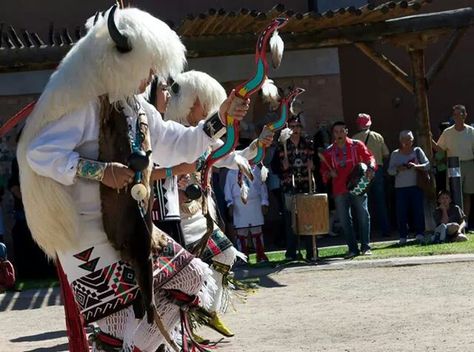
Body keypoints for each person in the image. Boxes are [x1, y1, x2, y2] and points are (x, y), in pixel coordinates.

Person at [17, 6, 250, 351]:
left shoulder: (137, 108)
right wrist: (100, 171)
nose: (153, 73)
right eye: (148, 63)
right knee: (121, 324)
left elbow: (178, 142)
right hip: (85, 235)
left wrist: (221, 116)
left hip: (134, 228)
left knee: (193, 278)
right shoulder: (87, 105)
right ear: (121, 61)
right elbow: (39, 152)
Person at [160, 69, 272, 339]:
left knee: (225, 255)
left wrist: (258, 145)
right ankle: (179, 329)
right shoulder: (167, 134)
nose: (206, 107)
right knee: (182, 276)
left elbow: (233, 157)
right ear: (189, 102)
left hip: (199, 216)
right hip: (170, 218)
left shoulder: (204, 137)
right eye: (202, 101)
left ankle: (207, 311)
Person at [320, 121, 376, 258]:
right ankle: (352, 249)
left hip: (358, 186)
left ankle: (365, 246)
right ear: (333, 134)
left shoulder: (357, 145)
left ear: (346, 131)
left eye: (341, 131)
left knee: (363, 215)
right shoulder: (328, 152)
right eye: (336, 132)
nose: (339, 134)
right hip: (339, 189)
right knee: (345, 220)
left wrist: (371, 168)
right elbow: (323, 171)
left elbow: (370, 157)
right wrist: (329, 174)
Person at [271, 114, 315, 261]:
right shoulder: (281, 146)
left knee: (308, 220)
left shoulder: (308, 143)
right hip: (289, 186)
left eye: (297, 126)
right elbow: (274, 167)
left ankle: (311, 252)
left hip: (306, 185)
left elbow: (318, 163)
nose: (295, 129)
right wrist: (281, 167)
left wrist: (313, 165)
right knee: (291, 221)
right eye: (292, 127)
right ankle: (291, 253)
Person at [8, 157, 56, 279]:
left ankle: (45, 272)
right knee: (28, 244)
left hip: (39, 212)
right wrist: (29, 200)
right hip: (25, 213)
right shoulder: (18, 164)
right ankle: (31, 274)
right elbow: (14, 187)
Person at [432, 105, 474, 227]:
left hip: (469, 163)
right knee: (454, 194)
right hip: (453, 165)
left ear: (465, 115)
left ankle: (464, 222)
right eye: (454, 115)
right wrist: (430, 140)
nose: (456, 117)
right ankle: (454, 220)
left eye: (459, 114)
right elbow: (440, 149)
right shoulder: (447, 132)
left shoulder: (471, 131)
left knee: (467, 194)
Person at [388, 130, 430, 245]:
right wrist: (398, 168)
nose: (406, 142)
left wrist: (416, 166)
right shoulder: (395, 154)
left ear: (412, 140)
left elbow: (427, 165)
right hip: (400, 188)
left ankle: (420, 233)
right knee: (401, 213)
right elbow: (390, 171)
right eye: (404, 140)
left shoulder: (417, 151)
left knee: (418, 211)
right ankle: (402, 236)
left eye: (409, 140)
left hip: (416, 186)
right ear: (400, 141)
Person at [352, 113, 391, 237]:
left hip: (361, 173)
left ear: (358, 124)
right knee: (380, 201)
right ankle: (385, 230)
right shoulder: (378, 136)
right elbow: (386, 154)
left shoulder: (354, 139)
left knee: (361, 202)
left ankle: (361, 233)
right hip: (376, 170)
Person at [225, 162, 270, 263]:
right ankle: (243, 257)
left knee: (257, 231)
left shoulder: (255, 170)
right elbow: (227, 189)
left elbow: (262, 186)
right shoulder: (231, 172)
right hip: (239, 204)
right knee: (241, 233)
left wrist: (264, 202)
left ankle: (261, 255)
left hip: (255, 203)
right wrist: (230, 203)